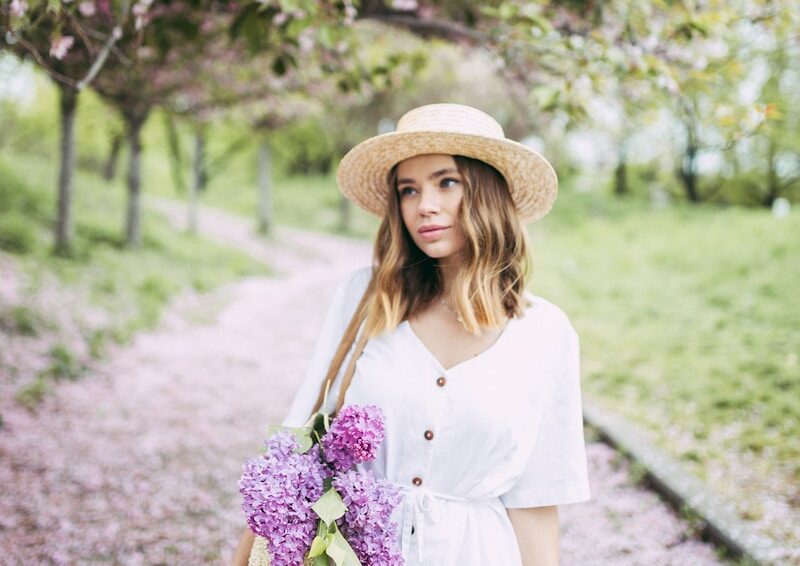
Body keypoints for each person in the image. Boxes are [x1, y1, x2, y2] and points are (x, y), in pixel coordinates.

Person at [231, 103, 590, 566]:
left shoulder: (545, 333)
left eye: (447, 182)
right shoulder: (364, 300)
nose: (425, 206)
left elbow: (537, 501)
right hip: (353, 551)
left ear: (487, 192)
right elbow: (298, 447)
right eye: (408, 190)